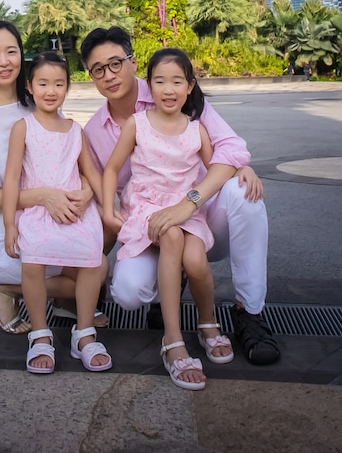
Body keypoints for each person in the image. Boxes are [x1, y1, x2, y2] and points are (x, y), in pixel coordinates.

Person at [81, 25, 281, 365]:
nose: (109, 75)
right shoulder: (96, 131)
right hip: (147, 220)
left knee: (244, 192)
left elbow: (229, 148)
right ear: (91, 76)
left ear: (132, 62)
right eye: (98, 69)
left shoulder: (172, 88)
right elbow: (97, 178)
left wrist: (229, 174)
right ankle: (168, 288)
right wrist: (105, 210)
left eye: (116, 63)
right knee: (128, 294)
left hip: (198, 213)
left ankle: (249, 312)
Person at [102, 48, 232, 389]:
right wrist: (106, 205)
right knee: (172, 238)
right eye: (159, 81)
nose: (168, 89)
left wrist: (243, 169)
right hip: (146, 207)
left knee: (196, 260)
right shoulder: (137, 124)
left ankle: (207, 323)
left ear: (190, 87)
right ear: (149, 86)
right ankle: (172, 340)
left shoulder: (196, 129)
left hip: (185, 209)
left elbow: (216, 167)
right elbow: (113, 168)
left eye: (177, 81)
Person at [0, 19, 98, 333]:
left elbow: (70, 160)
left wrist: (87, 190)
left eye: (11, 51)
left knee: (97, 265)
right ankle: (5, 289)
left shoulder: (39, 102)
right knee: (87, 275)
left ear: (22, 55)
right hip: (4, 236)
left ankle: (64, 303)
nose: (4, 61)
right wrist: (43, 196)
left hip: (48, 222)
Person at [2, 51, 111, 374]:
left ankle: (85, 332)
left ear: (68, 87)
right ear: (30, 86)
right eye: (43, 83)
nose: (51, 91)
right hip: (38, 211)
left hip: (75, 210)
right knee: (32, 259)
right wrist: (10, 224)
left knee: (93, 257)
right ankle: (40, 333)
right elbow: (10, 179)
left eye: (59, 84)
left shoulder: (75, 129)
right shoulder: (23, 127)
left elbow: (91, 171)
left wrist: (104, 205)